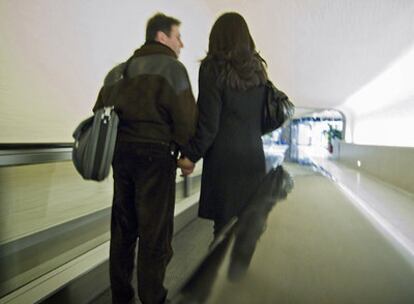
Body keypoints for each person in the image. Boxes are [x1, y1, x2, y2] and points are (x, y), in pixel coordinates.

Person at [93, 13, 197, 304]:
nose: (182, 44)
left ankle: (121, 298)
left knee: (123, 231)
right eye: (178, 37)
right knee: (154, 233)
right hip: (156, 156)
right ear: (162, 37)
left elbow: (99, 111)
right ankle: (152, 298)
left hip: (122, 156)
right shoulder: (173, 70)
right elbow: (187, 119)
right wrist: (185, 151)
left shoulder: (118, 72)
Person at [177, 12, 272, 236]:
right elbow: (262, 119)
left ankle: (223, 271)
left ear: (216, 38)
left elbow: (209, 123)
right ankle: (242, 270)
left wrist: (191, 156)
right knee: (249, 230)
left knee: (224, 231)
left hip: (225, 163)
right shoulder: (259, 71)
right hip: (253, 158)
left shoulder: (212, 69)